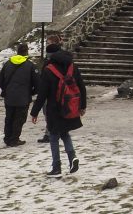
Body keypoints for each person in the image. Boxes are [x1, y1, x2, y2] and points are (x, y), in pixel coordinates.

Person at [30, 42, 84, 177]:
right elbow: (81, 87)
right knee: (65, 133)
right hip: (70, 107)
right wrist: (82, 106)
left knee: (54, 136)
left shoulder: (49, 70)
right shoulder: (72, 67)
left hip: (54, 108)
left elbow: (42, 94)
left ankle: (56, 167)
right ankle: (72, 158)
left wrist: (34, 112)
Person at [0, 42, 37, 147]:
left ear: (17, 51)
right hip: (23, 98)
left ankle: (7, 138)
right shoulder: (30, 66)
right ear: (26, 52)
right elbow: (37, 83)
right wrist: (31, 92)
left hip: (9, 97)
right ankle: (14, 139)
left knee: (9, 117)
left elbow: (0, 79)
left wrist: (6, 89)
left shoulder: (8, 63)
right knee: (19, 119)